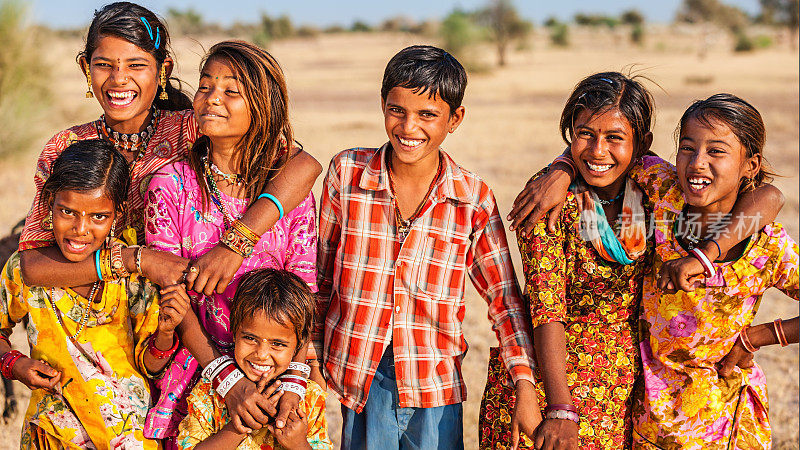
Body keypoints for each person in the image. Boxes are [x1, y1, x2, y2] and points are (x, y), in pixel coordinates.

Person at [15, 1, 321, 437]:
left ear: (163, 68)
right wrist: (138, 261)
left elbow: (302, 165)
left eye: (136, 65)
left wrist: (236, 242)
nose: (119, 79)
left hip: (171, 330)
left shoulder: (192, 127)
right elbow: (31, 264)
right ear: (85, 67)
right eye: (104, 65)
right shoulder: (67, 148)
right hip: (94, 332)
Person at [482, 74, 784, 449]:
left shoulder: (657, 190)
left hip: (623, 394)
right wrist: (560, 408)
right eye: (584, 134)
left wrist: (712, 264)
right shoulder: (552, 202)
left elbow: (770, 195)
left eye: (614, 138)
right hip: (547, 386)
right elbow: (547, 308)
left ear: (642, 146)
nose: (597, 151)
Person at [314, 45, 538, 449]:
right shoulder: (346, 174)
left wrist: (524, 381)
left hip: (435, 384)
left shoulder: (472, 199)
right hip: (361, 375)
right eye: (397, 110)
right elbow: (320, 278)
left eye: (427, 115)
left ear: (455, 119)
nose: (408, 127)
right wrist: (311, 358)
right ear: (383, 106)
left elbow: (504, 299)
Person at [144, 40, 318, 443]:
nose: (210, 99)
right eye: (205, 86)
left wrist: (293, 379)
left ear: (262, 106)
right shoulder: (170, 185)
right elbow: (173, 297)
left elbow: (304, 290)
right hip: (197, 369)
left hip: (275, 368)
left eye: (230, 90)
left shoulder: (288, 193)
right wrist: (226, 379)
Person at [632, 93, 798, 449]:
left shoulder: (767, 246)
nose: (697, 163)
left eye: (716, 151)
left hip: (723, 418)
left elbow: (772, 195)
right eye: (688, 148)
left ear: (750, 165)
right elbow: (608, 151)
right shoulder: (666, 195)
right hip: (649, 413)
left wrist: (760, 336)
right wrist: (560, 170)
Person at [0, 139, 188, 448]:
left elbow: (150, 366)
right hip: (53, 434)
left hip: (129, 437)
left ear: (118, 213)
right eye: (68, 212)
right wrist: (14, 364)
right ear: (49, 203)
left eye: (98, 216)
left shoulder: (135, 274)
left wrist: (166, 333)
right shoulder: (23, 269)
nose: (80, 229)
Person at [176, 268, 332, 449]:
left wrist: (298, 444)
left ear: (298, 346)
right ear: (234, 333)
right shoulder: (209, 393)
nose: (262, 354)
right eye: (250, 338)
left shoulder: (308, 399)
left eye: (278, 344)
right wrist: (238, 427)